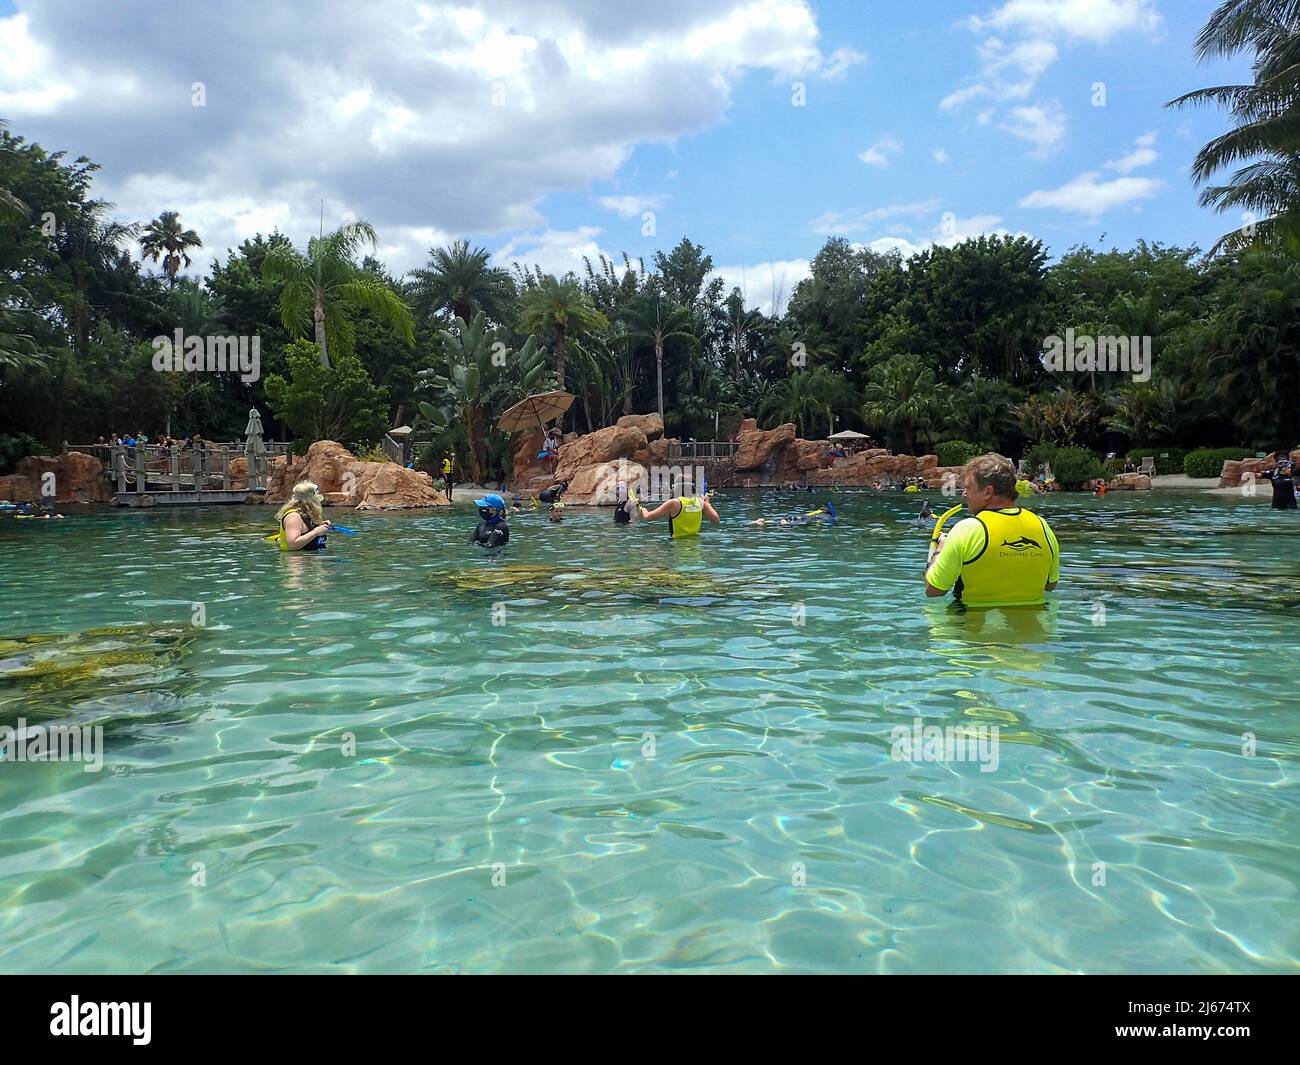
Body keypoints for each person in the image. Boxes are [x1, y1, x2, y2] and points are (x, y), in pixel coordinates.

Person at [925, 454, 1060, 608]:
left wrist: (939, 550)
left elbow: (933, 591)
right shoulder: (1042, 526)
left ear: (988, 492)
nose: (964, 494)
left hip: (972, 628)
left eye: (968, 487)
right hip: (1034, 629)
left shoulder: (968, 530)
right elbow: (1050, 585)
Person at [274, 481, 331, 551]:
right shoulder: (293, 517)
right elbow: (292, 544)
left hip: (310, 559)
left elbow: (305, 532)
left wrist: (319, 526)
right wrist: (316, 532)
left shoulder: (305, 513)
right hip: (297, 560)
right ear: (311, 499)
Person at [638, 490, 719, 538]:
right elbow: (716, 520)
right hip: (695, 546)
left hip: (676, 546)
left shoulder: (674, 503)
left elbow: (648, 517)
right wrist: (707, 503)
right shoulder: (700, 502)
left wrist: (642, 509)